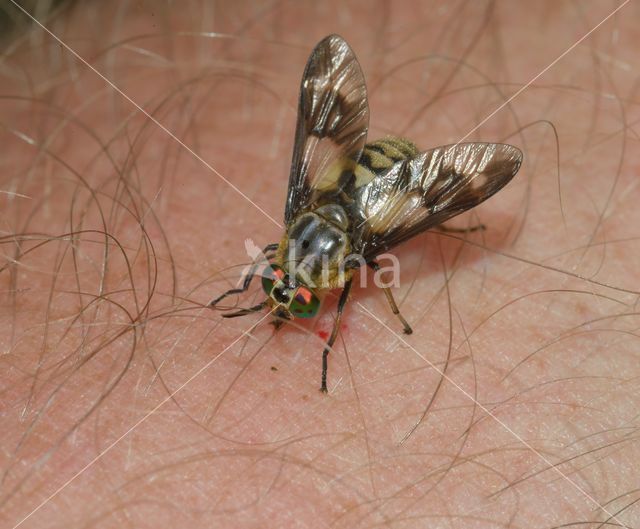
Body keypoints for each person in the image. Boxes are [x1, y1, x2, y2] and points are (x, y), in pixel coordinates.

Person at [1, 1, 637, 527]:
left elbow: (365, 269)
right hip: (342, 196)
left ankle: (449, 214)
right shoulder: (291, 246)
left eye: (291, 294)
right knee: (397, 218)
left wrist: (380, 294)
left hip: (371, 200)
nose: (286, 294)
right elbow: (282, 259)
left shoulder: (348, 256)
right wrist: (263, 285)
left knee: (420, 213)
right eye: (287, 293)